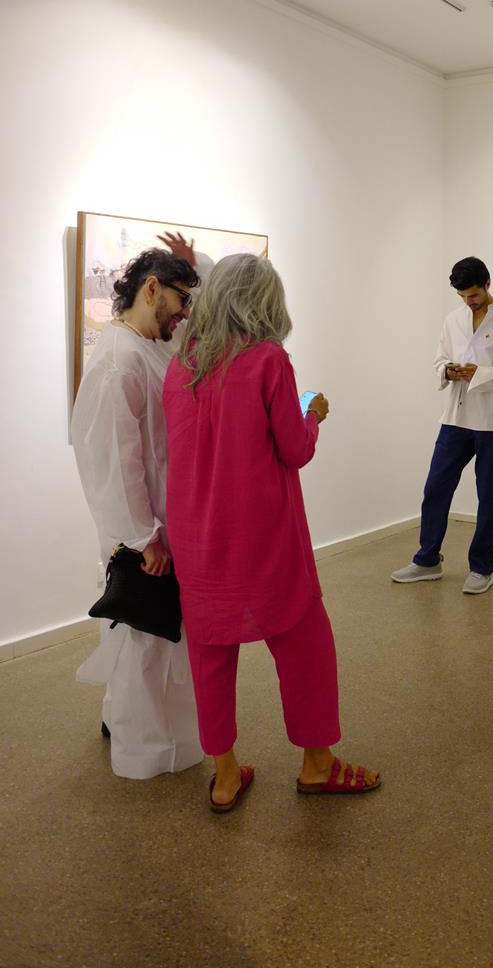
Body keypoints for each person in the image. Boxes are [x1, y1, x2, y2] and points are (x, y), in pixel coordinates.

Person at [162, 254, 380, 812]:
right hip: (262, 532)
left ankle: (225, 776)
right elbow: (295, 449)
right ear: (264, 302)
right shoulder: (267, 359)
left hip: (196, 533)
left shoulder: (182, 364)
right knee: (306, 642)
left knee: (210, 653)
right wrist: (314, 415)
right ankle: (317, 765)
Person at [72, 233, 207, 779]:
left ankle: (154, 733)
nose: (185, 314)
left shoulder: (150, 344)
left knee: (158, 636)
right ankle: (145, 749)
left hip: (164, 520)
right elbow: (113, 458)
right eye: (180, 299)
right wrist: (142, 536)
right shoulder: (119, 361)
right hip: (144, 530)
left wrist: (191, 266)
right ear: (152, 289)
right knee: (144, 638)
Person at [392, 256, 493, 594]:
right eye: (462, 296)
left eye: (473, 295)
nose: (468, 302)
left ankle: (482, 568)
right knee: (435, 488)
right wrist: (448, 370)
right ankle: (428, 560)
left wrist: (480, 374)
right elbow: (439, 358)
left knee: (488, 496)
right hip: (455, 418)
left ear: (488, 284)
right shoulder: (453, 320)